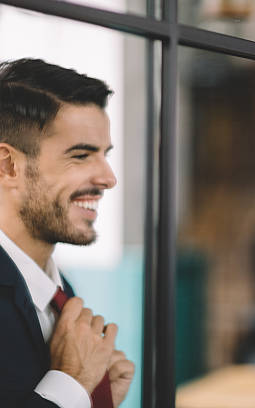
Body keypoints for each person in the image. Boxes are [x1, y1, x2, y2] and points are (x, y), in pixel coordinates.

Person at [0, 58, 134, 407]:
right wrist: (71, 384)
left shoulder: (59, 293)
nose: (108, 178)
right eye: (81, 155)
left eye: (104, 154)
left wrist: (95, 399)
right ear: (8, 165)